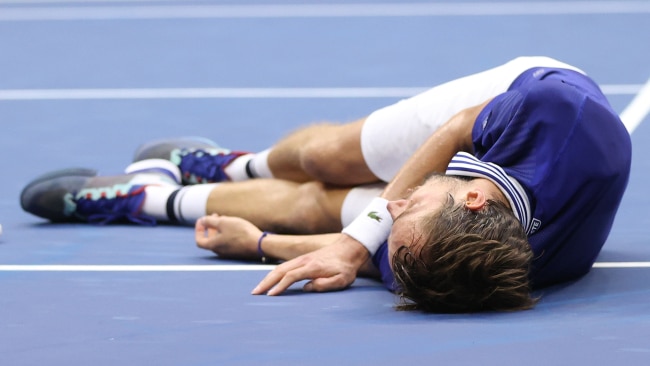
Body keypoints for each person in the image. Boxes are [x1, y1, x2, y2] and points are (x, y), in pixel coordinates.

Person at [20, 56, 632, 313]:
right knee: (324, 159)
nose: (397, 201)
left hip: (493, 182)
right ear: (472, 196)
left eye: (401, 216)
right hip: (515, 97)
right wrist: (358, 235)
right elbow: (455, 130)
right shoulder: (555, 112)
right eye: (408, 209)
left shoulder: (463, 267)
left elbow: (364, 263)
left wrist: (259, 243)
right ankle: (236, 163)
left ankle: (151, 200)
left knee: (316, 210)